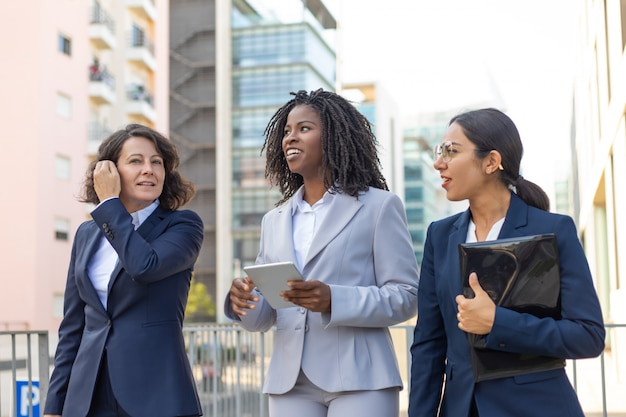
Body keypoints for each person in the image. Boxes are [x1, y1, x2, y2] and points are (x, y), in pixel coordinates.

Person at [224, 89, 419, 417]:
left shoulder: (379, 207)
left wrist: (334, 300)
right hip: (290, 381)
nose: (290, 138)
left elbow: (406, 296)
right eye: (286, 131)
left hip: (361, 378)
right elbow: (266, 315)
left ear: (334, 136)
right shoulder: (274, 220)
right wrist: (243, 302)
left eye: (304, 128)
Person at [408, 108, 605, 417]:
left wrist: (498, 323)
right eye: (439, 151)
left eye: (451, 151)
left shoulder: (554, 230)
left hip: (537, 408)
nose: (439, 163)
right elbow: (428, 345)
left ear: (491, 161)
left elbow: (588, 336)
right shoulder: (440, 236)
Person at [44, 124, 204, 417]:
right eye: (136, 161)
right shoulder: (86, 234)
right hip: (88, 395)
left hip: (155, 394)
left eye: (157, 162)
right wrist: (55, 404)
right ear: (110, 172)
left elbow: (144, 266)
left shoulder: (183, 226)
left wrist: (109, 205)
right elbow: (73, 326)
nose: (149, 169)